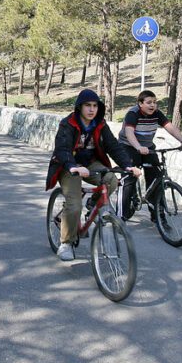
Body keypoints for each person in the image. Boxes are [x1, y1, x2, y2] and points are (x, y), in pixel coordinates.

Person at [45, 89, 141, 261]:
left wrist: (128, 165)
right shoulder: (68, 123)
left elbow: (113, 146)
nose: (91, 109)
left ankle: (93, 206)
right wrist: (73, 166)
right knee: (74, 205)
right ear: (79, 107)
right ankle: (66, 242)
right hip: (69, 165)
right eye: (87, 105)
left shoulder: (100, 124)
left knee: (111, 179)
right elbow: (62, 149)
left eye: (95, 106)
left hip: (90, 164)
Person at [121, 90, 182, 220]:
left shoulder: (157, 114)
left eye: (154, 102)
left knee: (155, 178)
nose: (152, 105)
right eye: (148, 102)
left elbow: (170, 127)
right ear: (140, 103)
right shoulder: (133, 113)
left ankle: (157, 215)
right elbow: (129, 132)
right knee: (129, 179)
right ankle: (123, 215)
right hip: (129, 147)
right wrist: (138, 147)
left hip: (147, 148)